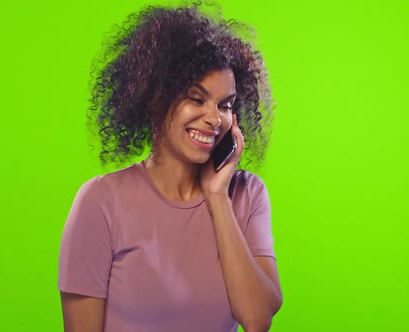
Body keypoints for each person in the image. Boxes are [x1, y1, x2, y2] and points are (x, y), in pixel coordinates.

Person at [57, 2, 282, 331]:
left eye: (225, 105)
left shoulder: (248, 195)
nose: (213, 118)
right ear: (155, 97)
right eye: (196, 98)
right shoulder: (100, 202)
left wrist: (217, 196)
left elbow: (257, 319)